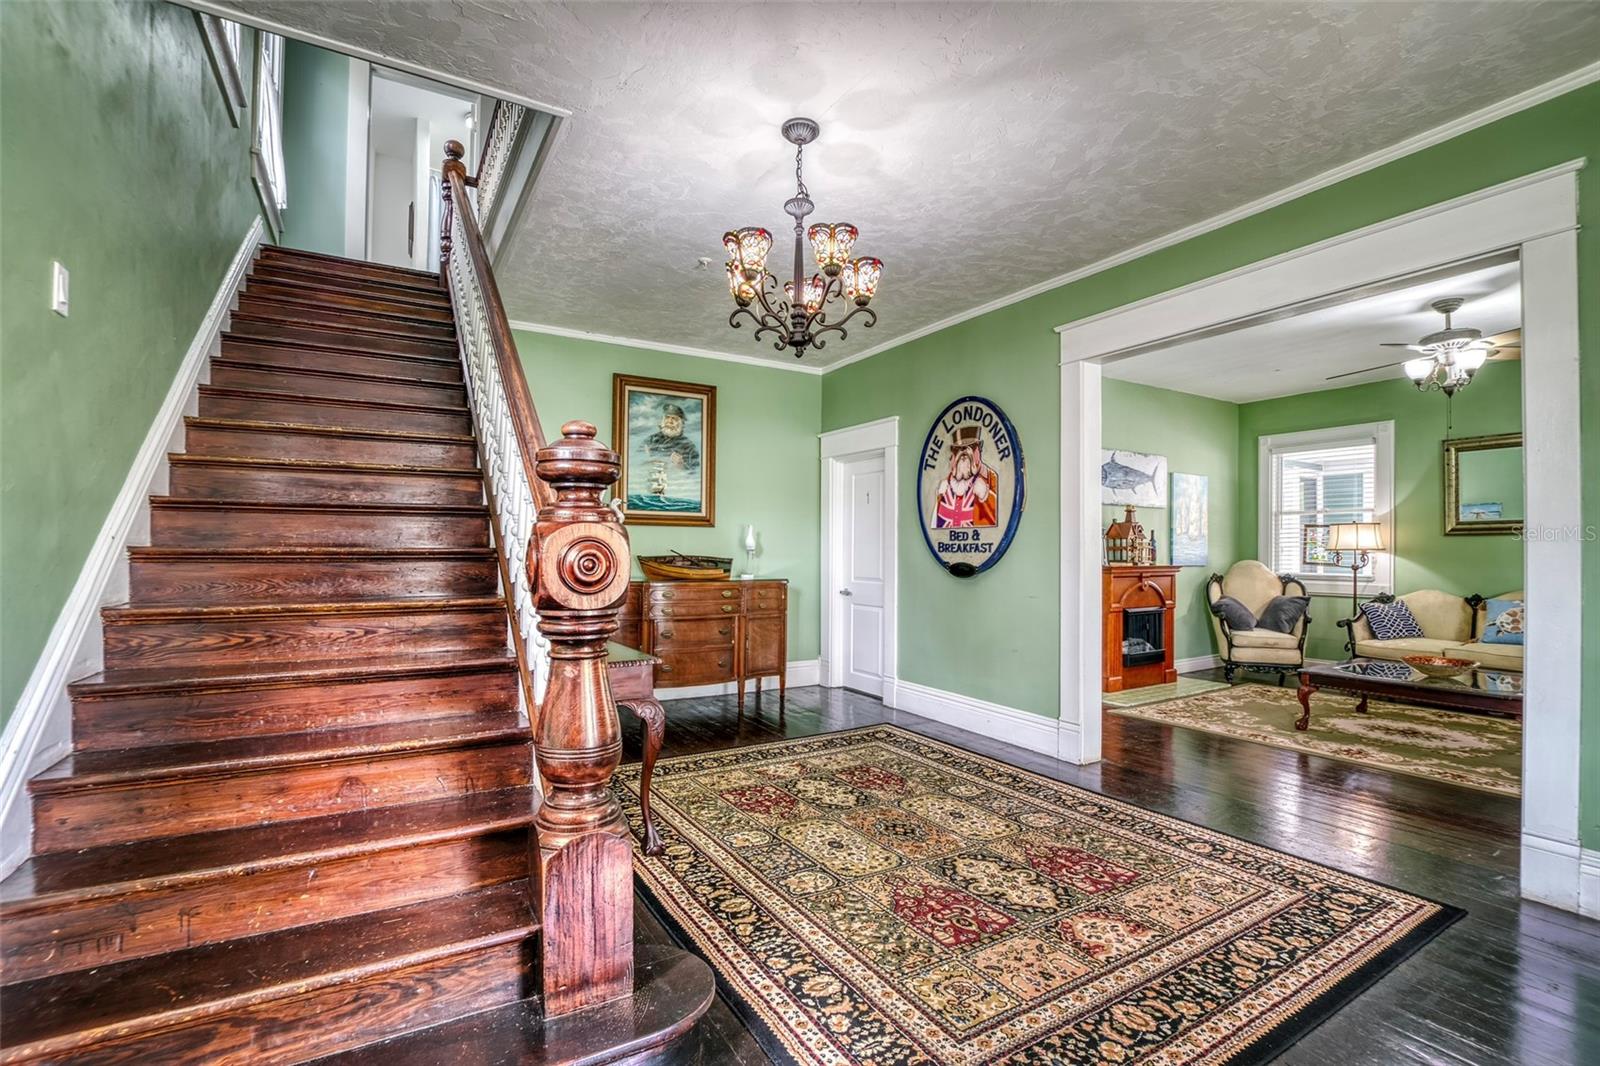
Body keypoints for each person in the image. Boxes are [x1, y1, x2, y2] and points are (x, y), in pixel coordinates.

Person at [932, 425, 998, 528]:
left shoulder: (992, 479)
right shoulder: (945, 485)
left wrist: (986, 496)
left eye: (971, 447)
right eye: (957, 449)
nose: (964, 452)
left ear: (979, 451)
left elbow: (1000, 517)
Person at [643, 402, 700, 472]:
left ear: (681, 423)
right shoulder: (651, 440)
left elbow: (696, 473)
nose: (670, 421)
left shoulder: (689, 447)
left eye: (674, 419)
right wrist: (645, 457)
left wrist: (681, 466)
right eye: (667, 417)